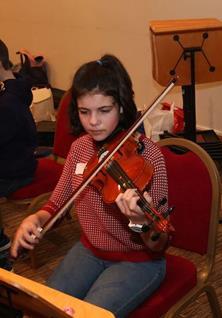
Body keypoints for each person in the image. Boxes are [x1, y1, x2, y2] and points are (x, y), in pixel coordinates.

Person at [11, 54, 170, 317]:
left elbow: (161, 242)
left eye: (104, 111)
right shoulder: (80, 148)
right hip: (89, 250)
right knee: (42, 310)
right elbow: (59, 201)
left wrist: (140, 221)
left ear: (121, 106)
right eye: (84, 112)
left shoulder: (149, 156)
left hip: (138, 261)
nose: (93, 122)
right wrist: (37, 218)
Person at [0, 39, 36, 271]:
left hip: (16, 167)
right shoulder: (13, 86)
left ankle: (2, 254)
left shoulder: (8, 102)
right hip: (12, 158)